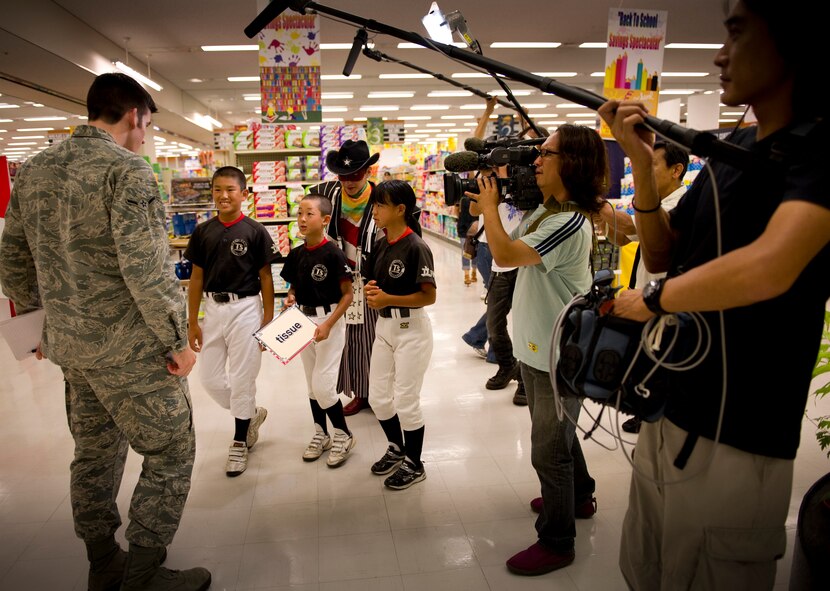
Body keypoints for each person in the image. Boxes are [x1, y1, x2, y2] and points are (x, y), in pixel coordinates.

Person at [597, 1, 830, 588]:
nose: (720, 54)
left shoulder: (820, 149)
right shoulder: (737, 148)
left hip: (739, 437)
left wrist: (653, 301)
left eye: (736, 32)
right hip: (668, 407)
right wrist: (643, 170)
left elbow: (773, 264)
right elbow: (662, 253)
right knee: (646, 569)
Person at [0, 73, 210, 590]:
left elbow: (11, 260)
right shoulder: (128, 173)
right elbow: (146, 269)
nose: (146, 137)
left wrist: (35, 329)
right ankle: (143, 572)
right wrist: (176, 342)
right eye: (147, 125)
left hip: (73, 350)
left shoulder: (34, 172)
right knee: (170, 450)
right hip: (132, 350)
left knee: (94, 453)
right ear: (135, 115)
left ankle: (102, 563)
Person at [471, 124, 606, 576]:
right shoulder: (547, 212)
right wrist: (492, 202)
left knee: (548, 448)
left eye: (545, 154)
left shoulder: (567, 221)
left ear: (572, 164)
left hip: (558, 353)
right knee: (559, 432)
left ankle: (557, 539)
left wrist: (490, 208)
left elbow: (506, 255)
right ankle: (579, 496)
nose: (536, 161)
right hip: (537, 346)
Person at [185, 166, 278, 477]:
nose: (223, 196)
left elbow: (266, 278)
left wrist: (268, 320)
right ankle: (249, 414)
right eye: (217, 190)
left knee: (242, 379)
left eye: (230, 190)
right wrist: (192, 321)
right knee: (209, 378)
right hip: (212, 309)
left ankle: (239, 442)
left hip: (246, 310)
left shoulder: (255, 231)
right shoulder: (202, 232)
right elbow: (196, 278)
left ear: (244, 194)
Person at [597, 140, 688, 432]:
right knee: (647, 357)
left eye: (651, 166)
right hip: (646, 296)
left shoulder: (679, 206)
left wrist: (595, 203)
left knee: (661, 359)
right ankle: (646, 410)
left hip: (665, 303)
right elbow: (624, 239)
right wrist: (606, 224)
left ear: (677, 171)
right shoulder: (655, 205)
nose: (641, 174)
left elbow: (629, 226)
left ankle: (657, 414)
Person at [364, 180, 436, 490]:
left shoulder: (417, 246)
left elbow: (428, 297)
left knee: (406, 400)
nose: (375, 210)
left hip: (412, 330)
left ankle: (414, 463)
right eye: (375, 204)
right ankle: (397, 447)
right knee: (379, 397)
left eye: (380, 205)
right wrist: (371, 291)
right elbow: (376, 281)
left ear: (400, 209)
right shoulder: (381, 243)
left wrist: (388, 300)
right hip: (384, 328)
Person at [280, 193, 356, 467]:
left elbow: (348, 295)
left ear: (324, 220)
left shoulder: (333, 253)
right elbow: (293, 287)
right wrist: (290, 297)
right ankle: (320, 433)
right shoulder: (297, 253)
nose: (301, 219)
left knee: (323, 384)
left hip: (329, 321)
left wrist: (328, 324)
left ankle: (343, 434)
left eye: (308, 214)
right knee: (312, 384)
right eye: (299, 213)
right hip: (303, 322)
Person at [310, 140, 383, 416]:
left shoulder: (381, 197)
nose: (349, 182)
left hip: (374, 280)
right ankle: (360, 392)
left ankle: (378, 392)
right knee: (349, 340)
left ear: (368, 172)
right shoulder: (329, 198)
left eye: (355, 175)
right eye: (343, 176)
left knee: (375, 340)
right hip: (341, 281)